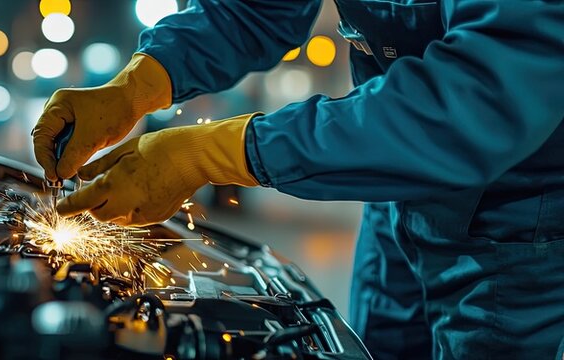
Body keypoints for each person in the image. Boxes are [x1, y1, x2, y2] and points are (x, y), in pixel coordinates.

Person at [31, 1, 564, 359]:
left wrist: (209, 153)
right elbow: (253, 8)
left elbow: (479, 98)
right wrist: (137, 85)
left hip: (519, 214)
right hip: (397, 187)